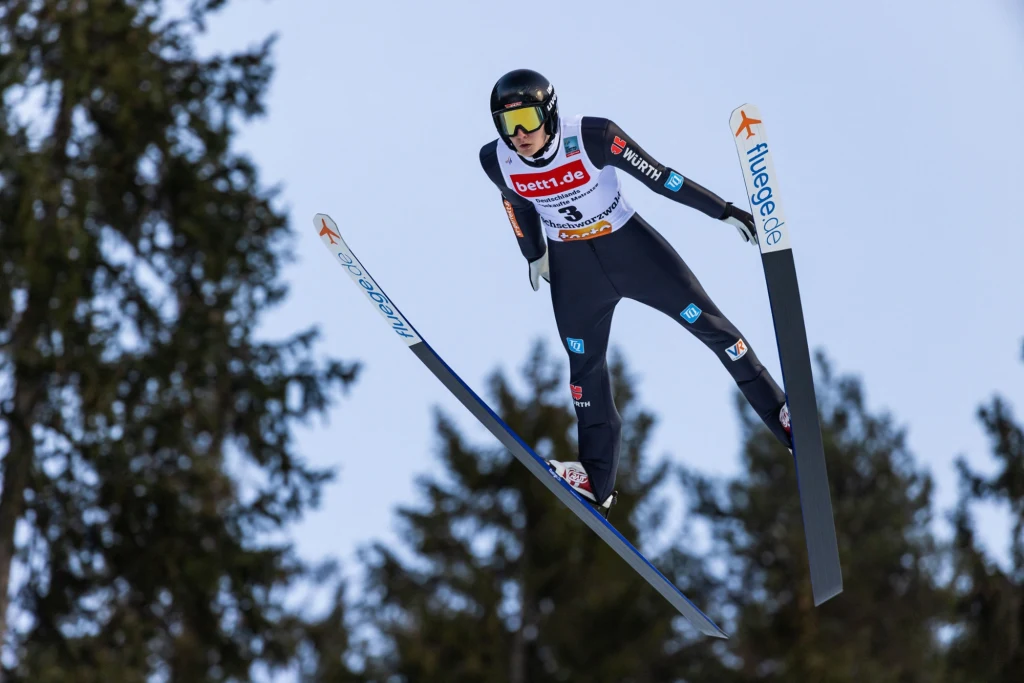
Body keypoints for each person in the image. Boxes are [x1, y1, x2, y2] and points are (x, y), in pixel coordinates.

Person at [479, 68, 792, 512]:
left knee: (715, 329)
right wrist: (533, 252)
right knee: (583, 372)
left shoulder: (593, 136)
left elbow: (662, 178)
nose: (520, 134)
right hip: (574, 272)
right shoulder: (497, 159)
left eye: (528, 119)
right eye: (508, 125)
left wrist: (722, 211)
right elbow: (512, 200)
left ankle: (784, 416)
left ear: (549, 112)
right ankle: (595, 480)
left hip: (632, 252)